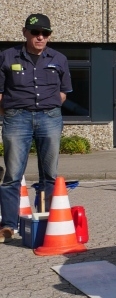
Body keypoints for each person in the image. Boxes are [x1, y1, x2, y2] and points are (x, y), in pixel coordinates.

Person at [0, 14, 72, 242]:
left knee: (49, 174)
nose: (40, 37)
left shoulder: (59, 58)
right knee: (12, 175)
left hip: (49, 117)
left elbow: (63, 92)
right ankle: (8, 225)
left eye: (45, 33)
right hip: (17, 118)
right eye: (35, 32)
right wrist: (11, 112)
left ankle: (49, 221)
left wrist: (50, 108)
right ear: (25, 33)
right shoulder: (7, 56)